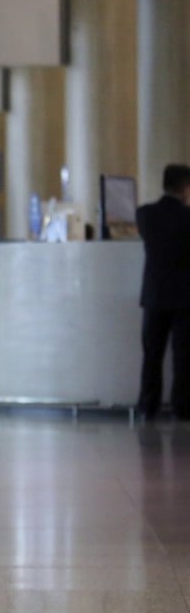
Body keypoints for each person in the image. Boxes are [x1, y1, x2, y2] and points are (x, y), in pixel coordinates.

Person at [136, 163, 190, 421]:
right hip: (184, 299)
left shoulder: (145, 215)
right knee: (183, 358)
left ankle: (148, 406)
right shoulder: (187, 218)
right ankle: (182, 407)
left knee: (152, 356)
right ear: (184, 188)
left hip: (154, 296)